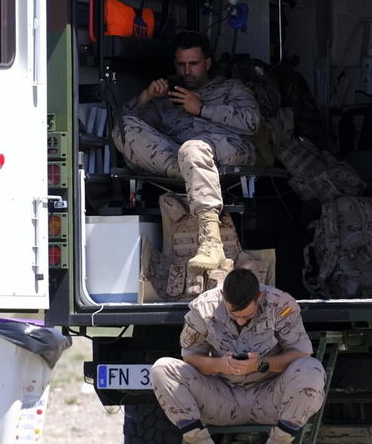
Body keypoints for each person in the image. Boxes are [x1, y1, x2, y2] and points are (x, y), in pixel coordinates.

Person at [151, 268, 326, 444]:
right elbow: (191, 356)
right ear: (223, 296)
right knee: (162, 369)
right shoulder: (204, 308)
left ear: (259, 297)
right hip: (223, 398)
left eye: (247, 315)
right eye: (234, 315)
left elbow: (301, 353)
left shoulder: (280, 304)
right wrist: (218, 365)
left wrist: (262, 364)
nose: (241, 321)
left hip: (270, 398)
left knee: (311, 369)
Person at [110, 30, 260, 274]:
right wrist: (147, 96)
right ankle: (189, 169)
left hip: (227, 148)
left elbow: (252, 122)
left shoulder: (230, 88)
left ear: (207, 63)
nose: (187, 71)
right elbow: (124, 124)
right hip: (179, 157)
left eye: (193, 64)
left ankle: (211, 241)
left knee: (193, 148)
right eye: (181, 64)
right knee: (125, 129)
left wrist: (202, 108)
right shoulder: (167, 98)